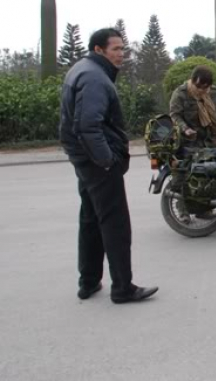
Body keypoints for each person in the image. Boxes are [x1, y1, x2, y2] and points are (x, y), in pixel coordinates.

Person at [59, 28, 158, 304]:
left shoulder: (83, 70)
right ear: (98, 49)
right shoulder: (93, 77)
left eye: (123, 49)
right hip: (97, 162)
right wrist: (106, 161)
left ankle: (88, 281)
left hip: (84, 160)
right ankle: (122, 287)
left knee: (90, 219)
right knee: (115, 224)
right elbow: (87, 126)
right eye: (116, 49)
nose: (121, 55)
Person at [169, 66, 216, 148]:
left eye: (205, 87)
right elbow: (175, 115)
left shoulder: (213, 92)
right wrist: (185, 129)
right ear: (192, 81)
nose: (201, 90)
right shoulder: (180, 94)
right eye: (198, 86)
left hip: (212, 141)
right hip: (191, 142)